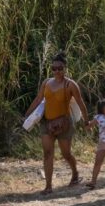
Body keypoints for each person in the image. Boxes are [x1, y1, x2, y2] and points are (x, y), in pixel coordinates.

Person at [24, 53, 90, 194]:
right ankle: (48, 186)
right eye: (54, 68)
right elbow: (38, 99)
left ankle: (75, 173)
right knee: (48, 153)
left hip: (64, 124)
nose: (57, 71)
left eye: (60, 68)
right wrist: (27, 115)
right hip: (47, 123)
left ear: (65, 68)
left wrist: (86, 121)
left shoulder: (71, 85)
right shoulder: (46, 83)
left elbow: (81, 104)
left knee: (66, 154)